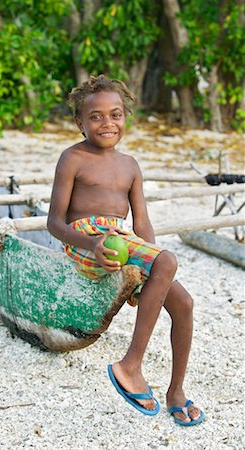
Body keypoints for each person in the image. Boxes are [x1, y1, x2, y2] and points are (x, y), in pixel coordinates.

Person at [47, 74, 205, 426]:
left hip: (123, 242)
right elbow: (54, 223)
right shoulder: (72, 158)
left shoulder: (130, 165)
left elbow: (142, 224)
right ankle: (130, 365)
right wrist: (91, 242)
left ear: (126, 117)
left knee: (184, 304)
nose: (107, 123)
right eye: (96, 116)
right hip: (89, 243)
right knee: (167, 260)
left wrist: (153, 268)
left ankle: (175, 391)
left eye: (115, 114)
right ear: (80, 123)